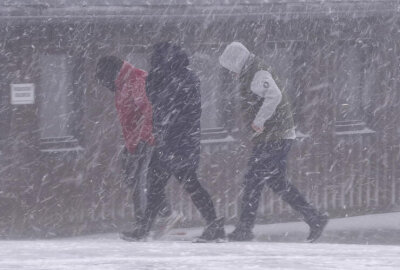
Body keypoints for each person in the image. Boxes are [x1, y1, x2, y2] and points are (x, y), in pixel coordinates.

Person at [219, 42, 328, 242]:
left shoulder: (257, 74)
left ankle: (245, 228)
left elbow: (274, 95)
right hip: (276, 135)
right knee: (276, 182)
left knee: (253, 180)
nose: (232, 73)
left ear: (237, 62)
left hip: (275, 136)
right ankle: (315, 218)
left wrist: (260, 120)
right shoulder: (253, 70)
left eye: (231, 68)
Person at [120, 42, 225, 242]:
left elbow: (172, 108)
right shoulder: (173, 77)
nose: (154, 61)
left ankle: (214, 226)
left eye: (157, 58)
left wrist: (167, 128)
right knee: (158, 183)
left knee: (186, 184)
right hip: (172, 141)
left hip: (178, 142)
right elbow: (158, 101)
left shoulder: (181, 79)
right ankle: (145, 228)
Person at [95, 56, 178, 236]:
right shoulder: (122, 85)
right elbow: (129, 119)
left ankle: (143, 226)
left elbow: (150, 110)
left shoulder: (136, 80)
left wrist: (145, 139)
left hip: (148, 138)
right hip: (135, 139)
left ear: (112, 73)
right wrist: (131, 144)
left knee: (140, 180)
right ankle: (165, 214)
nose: (105, 85)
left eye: (104, 79)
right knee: (133, 177)